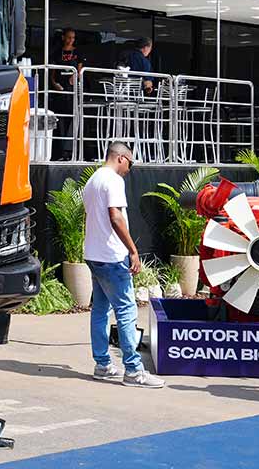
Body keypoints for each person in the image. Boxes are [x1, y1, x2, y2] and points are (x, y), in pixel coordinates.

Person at [82, 141, 164, 388]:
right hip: (112, 256)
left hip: (94, 254)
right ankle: (133, 370)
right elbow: (115, 216)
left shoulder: (93, 180)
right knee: (126, 310)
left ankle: (103, 364)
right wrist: (133, 250)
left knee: (100, 310)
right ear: (121, 158)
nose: (131, 168)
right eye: (131, 162)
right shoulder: (114, 181)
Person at [49, 29, 84, 160]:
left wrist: (75, 79)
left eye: (73, 38)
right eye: (69, 37)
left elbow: (80, 70)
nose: (71, 40)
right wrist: (54, 84)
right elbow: (52, 73)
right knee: (59, 122)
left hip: (72, 90)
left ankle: (69, 151)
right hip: (59, 90)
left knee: (71, 120)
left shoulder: (78, 52)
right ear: (63, 37)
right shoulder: (57, 53)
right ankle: (58, 152)